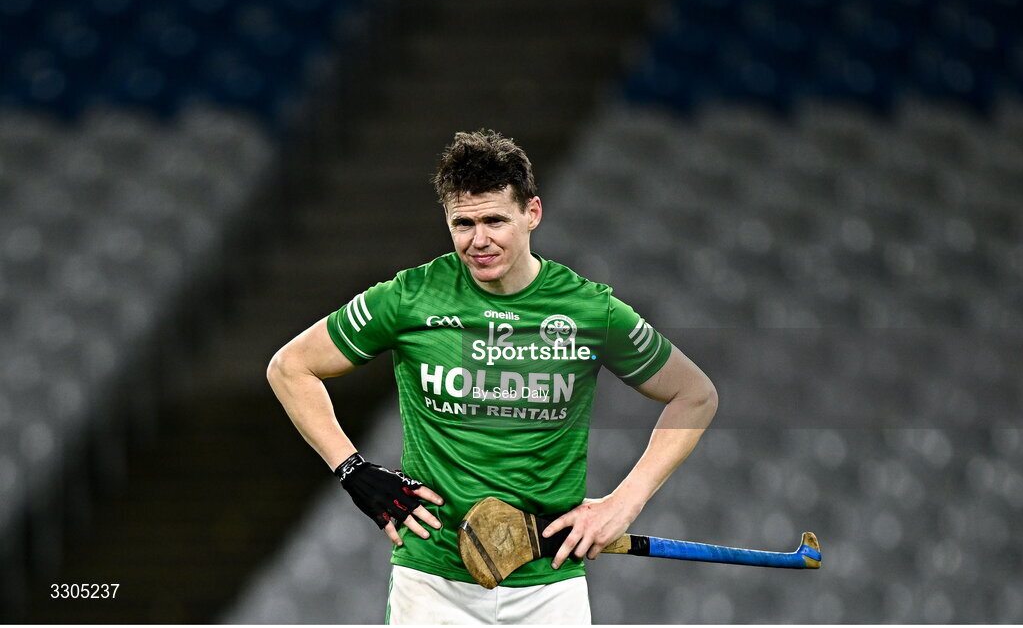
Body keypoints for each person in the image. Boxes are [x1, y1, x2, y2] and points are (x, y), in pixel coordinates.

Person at [266, 129, 718, 624]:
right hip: (432, 582)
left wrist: (623, 504)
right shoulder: (409, 297)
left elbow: (693, 395)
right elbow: (291, 367)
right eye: (463, 223)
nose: (478, 240)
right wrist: (352, 471)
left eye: (495, 220)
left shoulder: (590, 310)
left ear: (533, 214)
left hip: (549, 586)